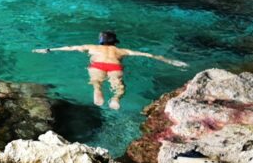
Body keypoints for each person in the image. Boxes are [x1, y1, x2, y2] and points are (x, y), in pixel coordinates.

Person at [32, 30, 187, 110]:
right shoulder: (122, 51)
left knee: (95, 81)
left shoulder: (91, 47)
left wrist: (49, 49)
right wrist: (171, 61)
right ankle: (116, 98)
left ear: (100, 41)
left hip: (97, 65)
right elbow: (148, 55)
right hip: (115, 66)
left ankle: (97, 89)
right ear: (114, 42)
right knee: (118, 85)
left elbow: (70, 48)